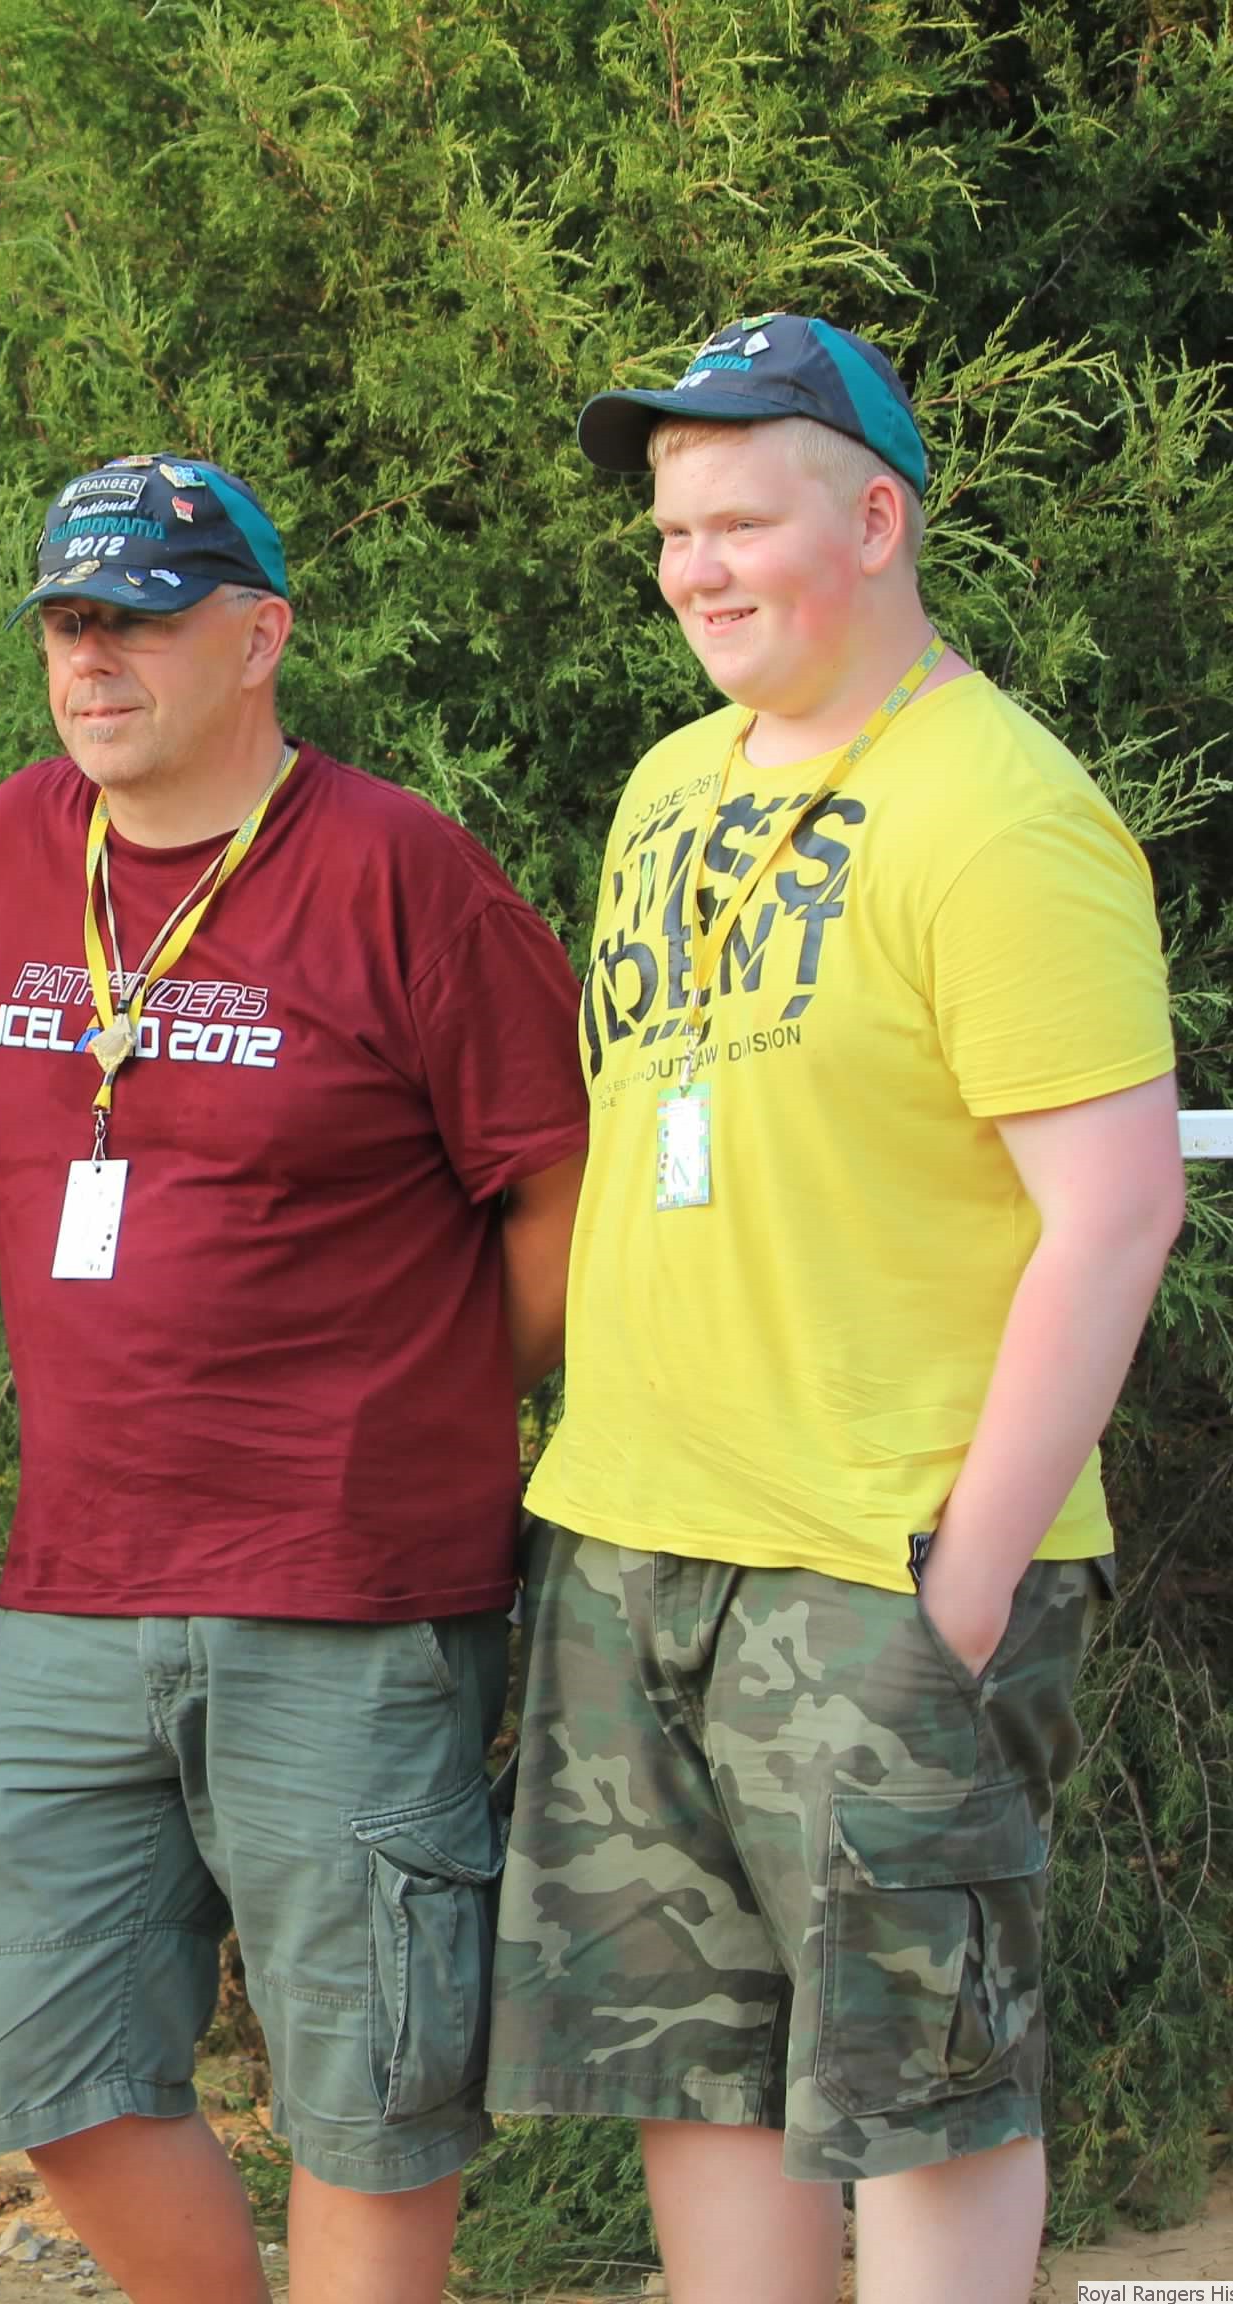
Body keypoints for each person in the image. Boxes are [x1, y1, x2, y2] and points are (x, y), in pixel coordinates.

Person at [492, 315, 1184, 2304]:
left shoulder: (1005, 810)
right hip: (637, 1539)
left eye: (740, 523)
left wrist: (961, 1587)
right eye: (671, 531)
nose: (694, 568)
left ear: (876, 521)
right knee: (694, 2077)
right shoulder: (668, 784)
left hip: (874, 1561)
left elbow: (1117, 1212)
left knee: (925, 2096)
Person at [0, 456, 589, 2303]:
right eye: (68, 622)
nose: (93, 658)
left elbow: (559, 1186)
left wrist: (437, 1395)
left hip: (347, 1587)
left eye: (139, 620)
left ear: (261, 636)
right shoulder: (11, 846)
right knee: (43, 2053)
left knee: (368, 2091)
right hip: (79, 1585)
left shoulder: (399, 869)